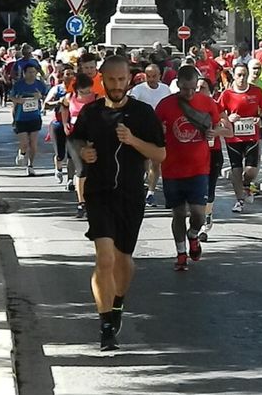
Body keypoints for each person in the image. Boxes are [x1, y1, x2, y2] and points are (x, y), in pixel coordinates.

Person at [72, 55, 166, 351]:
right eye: (111, 80)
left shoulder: (143, 113)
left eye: (121, 80)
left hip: (130, 195)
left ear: (129, 79)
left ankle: (118, 304)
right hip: (99, 193)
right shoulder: (91, 113)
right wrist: (83, 154)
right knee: (105, 258)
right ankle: (105, 326)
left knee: (124, 259)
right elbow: (75, 141)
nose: (116, 85)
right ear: (102, 79)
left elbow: (160, 155)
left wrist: (133, 140)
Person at [155, 65, 222, 271]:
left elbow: (221, 125)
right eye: (185, 89)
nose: (190, 93)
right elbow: (153, 129)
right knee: (178, 214)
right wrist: (160, 131)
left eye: (193, 88)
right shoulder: (165, 105)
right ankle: (181, 253)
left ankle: (193, 235)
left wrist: (214, 132)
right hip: (172, 169)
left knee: (198, 215)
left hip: (199, 168)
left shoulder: (207, 102)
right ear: (178, 85)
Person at [218, 63, 262, 213]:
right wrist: (228, 118)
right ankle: (239, 200)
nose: (242, 78)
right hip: (233, 137)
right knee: (236, 169)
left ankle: (246, 184)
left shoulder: (256, 91)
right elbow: (218, 112)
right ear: (233, 75)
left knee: (251, 170)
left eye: (244, 74)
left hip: (252, 135)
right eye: (239, 75)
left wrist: (259, 117)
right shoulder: (227, 94)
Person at [196, 77, 233, 242]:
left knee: (209, 189)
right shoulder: (187, 106)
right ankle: (198, 220)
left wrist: (215, 132)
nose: (198, 90)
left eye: (203, 87)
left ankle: (207, 214)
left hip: (213, 153)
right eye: (196, 86)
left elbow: (229, 131)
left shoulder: (215, 106)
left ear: (210, 90)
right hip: (193, 153)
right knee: (196, 189)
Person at [130, 64, 171, 207]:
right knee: (143, 161)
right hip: (141, 131)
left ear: (160, 75)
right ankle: (141, 184)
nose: (151, 79)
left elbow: (171, 106)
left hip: (159, 130)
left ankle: (151, 193)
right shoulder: (138, 90)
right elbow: (130, 105)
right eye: (149, 76)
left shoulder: (165, 89)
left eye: (154, 76)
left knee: (156, 162)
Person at [62, 73, 99, 218]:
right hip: (75, 137)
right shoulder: (69, 97)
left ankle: (93, 200)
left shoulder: (97, 99)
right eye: (84, 91)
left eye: (89, 90)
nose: (87, 94)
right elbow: (63, 108)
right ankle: (81, 202)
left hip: (92, 136)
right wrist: (65, 123)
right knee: (81, 169)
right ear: (77, 89)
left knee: (93, 169)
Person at [10, 64, 49, 176]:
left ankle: (30, 165)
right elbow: (11, 97)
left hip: (35, 117)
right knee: (24, 143)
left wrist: (40, 96)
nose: (32, 74)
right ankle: (22, 153)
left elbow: (47, 96)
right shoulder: (19, 85)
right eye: (29, 72)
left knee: (33, 144)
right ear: (24, 73)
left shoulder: (39, 84)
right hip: (21, 118)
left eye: (34, 72)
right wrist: (18, 100)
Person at [43, 64, 75, 184]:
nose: (70, 77)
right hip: (58, 123)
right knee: (60, 154)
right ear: (62, 76)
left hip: (73, 125)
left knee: (72, 154)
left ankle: (71, 180)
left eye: (72, 74)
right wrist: (59, 102)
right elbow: (46, 104)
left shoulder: (78, 90)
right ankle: (58, 168)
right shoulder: (57, 89)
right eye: (67, 74)